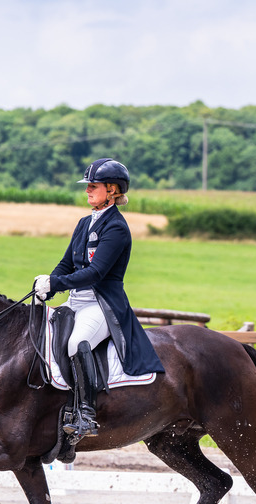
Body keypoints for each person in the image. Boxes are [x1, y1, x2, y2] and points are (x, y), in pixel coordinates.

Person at [33, 158, 165, 446]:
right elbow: (67, 263)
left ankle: (85, 412)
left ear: (112, 189)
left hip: (102, 304)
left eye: (93, 186)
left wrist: (56, 283)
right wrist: (49, 285)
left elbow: (95, 273)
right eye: (88, 186)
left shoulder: (116, 227)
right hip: (75, 301)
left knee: (76, 344)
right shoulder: (84, 223)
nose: (87, 191)